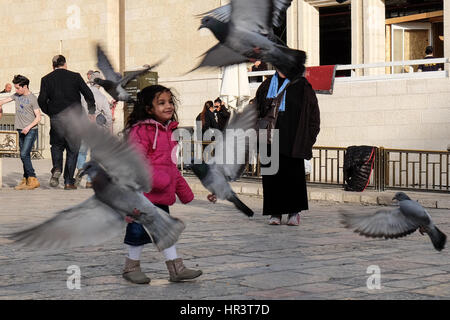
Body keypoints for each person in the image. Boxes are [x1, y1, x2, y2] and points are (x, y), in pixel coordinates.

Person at [121, 84, 202, 284]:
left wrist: (183, 190)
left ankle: (176, 268)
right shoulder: (141, 131)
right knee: (137, 232)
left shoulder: (169, 132)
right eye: (162, 103)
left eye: (170, 102)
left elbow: (171, 166)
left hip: (159, 195)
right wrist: (159, 180)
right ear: (149, 109)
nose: (168, 106)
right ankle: (131, 267)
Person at [255, 50, 320, 226]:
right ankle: (274, 213)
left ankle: (294, 212)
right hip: (269, 138)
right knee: (272, 177)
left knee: (293, 177)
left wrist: (309, 139)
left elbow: (313, 115)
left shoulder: (302, 85)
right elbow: (255, 111)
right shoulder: (267, 86)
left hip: (294, 138)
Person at [38, 55, 96, 190]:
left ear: (53, 66)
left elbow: (41, 100)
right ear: (65, 64)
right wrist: (91, 112)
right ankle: (69, 182)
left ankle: (57, 167)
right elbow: (89, 95)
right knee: (73, 150)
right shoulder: (75, 76)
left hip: (57, 117)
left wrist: (50, 112)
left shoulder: (46, 79)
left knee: (56, 145)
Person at [0, 75, 41, 190]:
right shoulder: (16, 96)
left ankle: (33, 179)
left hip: (30, 130)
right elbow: (3, 101)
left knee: (23, 154)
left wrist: (28, 127)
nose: (16, 90)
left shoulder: (32, 98)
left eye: (18, 88)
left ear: (25, 86)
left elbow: (38, 118)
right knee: (24, 156)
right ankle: (26, 180)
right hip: (20, 129)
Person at [75, 70, 113, 188]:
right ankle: (90, 181)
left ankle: (81, 168)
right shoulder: (102, 97)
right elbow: (108, 116)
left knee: (81, 152)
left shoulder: (81, 95)